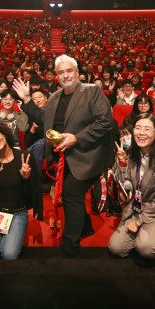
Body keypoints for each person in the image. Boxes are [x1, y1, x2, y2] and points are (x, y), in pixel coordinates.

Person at [43, 54, 114, 258]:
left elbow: (104, 122)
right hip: (64, 157)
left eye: (69, 71)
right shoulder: (54, 97)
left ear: (77, 72)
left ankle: (70, 246)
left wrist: (76, 138)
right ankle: (86, 226)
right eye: (61, 73)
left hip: (89, 155)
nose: (65, 76)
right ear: (56, 76)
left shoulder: (92, 91)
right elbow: (48, 124)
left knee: (71, 193)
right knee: (68, 193)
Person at [108, 113, 155, 259]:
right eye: (138, 128)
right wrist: (125, 190)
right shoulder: (133, 156)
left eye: (147, 129)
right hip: (136, 207)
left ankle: (154, 240)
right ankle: (144, 235)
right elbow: (128, 181)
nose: (141, 133)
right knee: (116, 248)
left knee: (146, 249)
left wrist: (138, 221)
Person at [0, 123, 42, 260]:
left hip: (18, 213)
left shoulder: (25, 157)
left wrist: (26, 178)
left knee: (9, 255)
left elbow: (31, 197)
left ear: (4, 134)